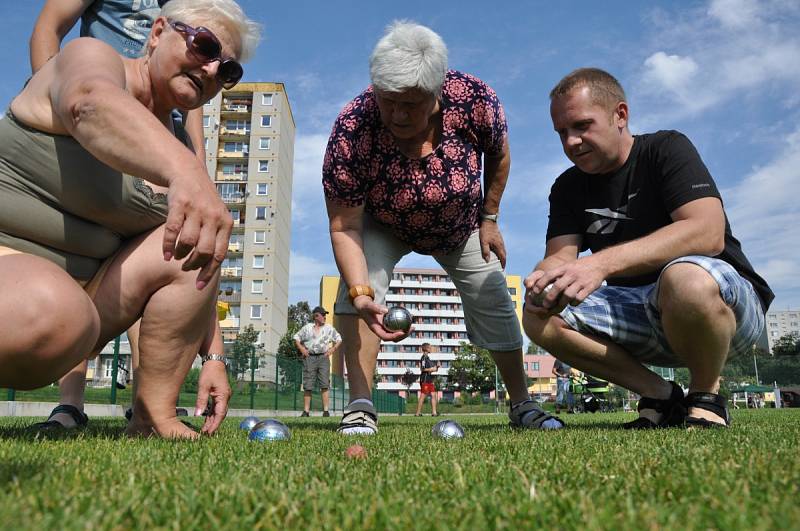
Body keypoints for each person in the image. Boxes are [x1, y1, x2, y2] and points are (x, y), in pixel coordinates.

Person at [0, 0, 260, 438]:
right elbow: (88, 102)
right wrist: (188, 171)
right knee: (54, 308)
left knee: (190, 244)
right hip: (20, 269)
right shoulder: (92, 60)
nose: (213, 70)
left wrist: (214, 356)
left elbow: (200, 264)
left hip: (82, 302)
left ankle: (153, 414)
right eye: (203, 45)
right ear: (157, 32)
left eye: (228, 70)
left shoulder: (173, 151)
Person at [323, 21, 563, 434]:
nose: (397, 114)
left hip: (460, 225)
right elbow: (344, 226)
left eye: (410, 103)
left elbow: (499, 157)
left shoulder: (473, 99)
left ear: (437, 91)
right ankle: (360, 405)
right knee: (356, 289)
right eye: (387, 100)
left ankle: (522, 404)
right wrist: (362, 292)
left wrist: (490, 218)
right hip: (382, 223)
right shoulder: (353, 126)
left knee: (493, 293)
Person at [523, 68, 773, 429]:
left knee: (684, 278)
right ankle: (660, 394)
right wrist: (544, 282)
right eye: (562, 132)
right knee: (537, 314)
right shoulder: (567, 187)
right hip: (640, 312)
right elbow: (561, 255)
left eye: (581, 126)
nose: (571, 142)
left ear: (620, 115)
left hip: (722, 309)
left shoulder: (665, 149)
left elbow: (708, 232)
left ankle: (706, 397)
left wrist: (600, 266)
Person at [293, 306, 342, 417]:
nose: (325, 317)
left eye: (325, 315)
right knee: (308, 384)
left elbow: (339, 339)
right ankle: (306, 411)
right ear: (316, 316)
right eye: (323, 315)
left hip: (323, 358)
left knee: (324, 384)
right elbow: (296, 337)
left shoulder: (329, 328)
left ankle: (325, 411)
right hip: (309, 358)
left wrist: (332, 349)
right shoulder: (307, 328)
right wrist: (302, 349)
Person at [415, 343, 441, 416]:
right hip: (425, 379)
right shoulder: (423, 358)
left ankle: (434, 412)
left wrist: (437, 367)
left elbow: (433, 370)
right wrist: (431, 368)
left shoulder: (428, 359)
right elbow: (422, 369)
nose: (431, 348)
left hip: (429, 379)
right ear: (426, 349)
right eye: (430, 347)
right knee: (423, 395)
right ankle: (417, 413)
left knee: (433, 395)